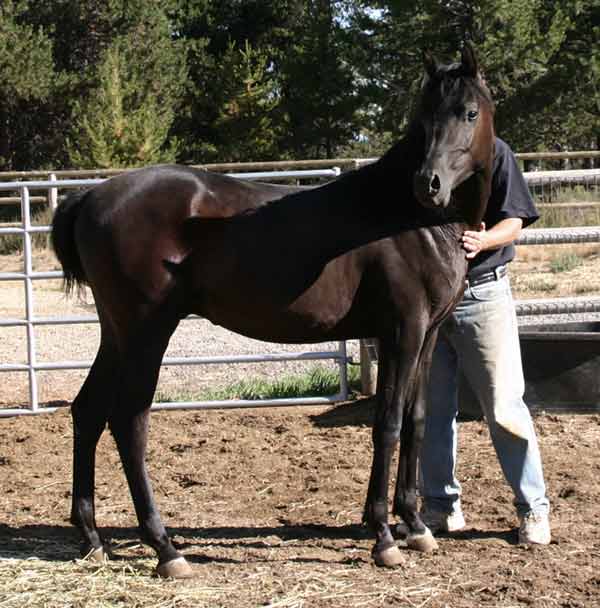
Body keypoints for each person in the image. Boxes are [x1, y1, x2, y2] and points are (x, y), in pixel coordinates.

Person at [412, 136, 551, 545]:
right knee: (431, 410)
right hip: (430, 297)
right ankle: (439, 506)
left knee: (504, 406)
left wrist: (485, 241)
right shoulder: (423, 155)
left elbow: (515, 220)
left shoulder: (495, 152)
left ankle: (532, 509)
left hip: (482, 293)